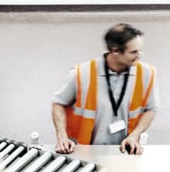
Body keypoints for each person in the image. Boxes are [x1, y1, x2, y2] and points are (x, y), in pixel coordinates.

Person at [52, 23, 159, 155]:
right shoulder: (82, 73)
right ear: (114, 51)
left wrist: (135, 136)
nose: (140, 55)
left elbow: (151, 109)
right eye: (134, 52)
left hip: (125, 152)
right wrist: (62, 137)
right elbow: (59, 104)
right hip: (84, 152)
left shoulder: (147, 73)